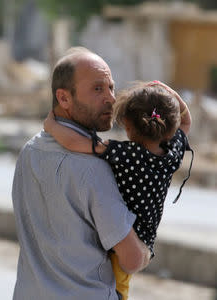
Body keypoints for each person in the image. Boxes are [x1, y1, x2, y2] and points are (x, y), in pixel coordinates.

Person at [12, 47, 151, 300]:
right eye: (98, 89)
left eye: (111, 87)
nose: (110, 98)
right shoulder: (93, 167)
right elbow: (131, 260)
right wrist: (145, 251)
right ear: (64, 98)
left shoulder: (29, 152)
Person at [44, 80, 193, 300]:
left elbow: (75, 143)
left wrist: (51, 126)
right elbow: (187, 121)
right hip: (146, 240)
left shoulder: (126, 153)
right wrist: (171, 95)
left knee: (115, 288)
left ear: (128, 126)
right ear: (170, 128)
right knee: (121, 285)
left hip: (121, 241)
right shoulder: (171, 156)